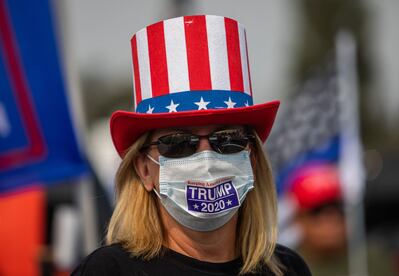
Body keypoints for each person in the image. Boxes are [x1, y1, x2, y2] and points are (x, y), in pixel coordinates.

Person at [72, 15, 311, 276]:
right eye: (177, 143)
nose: (206, 158)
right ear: (144, 169)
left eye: (228, 140)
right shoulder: (109, 271)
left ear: (252, 158)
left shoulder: (287, 269)